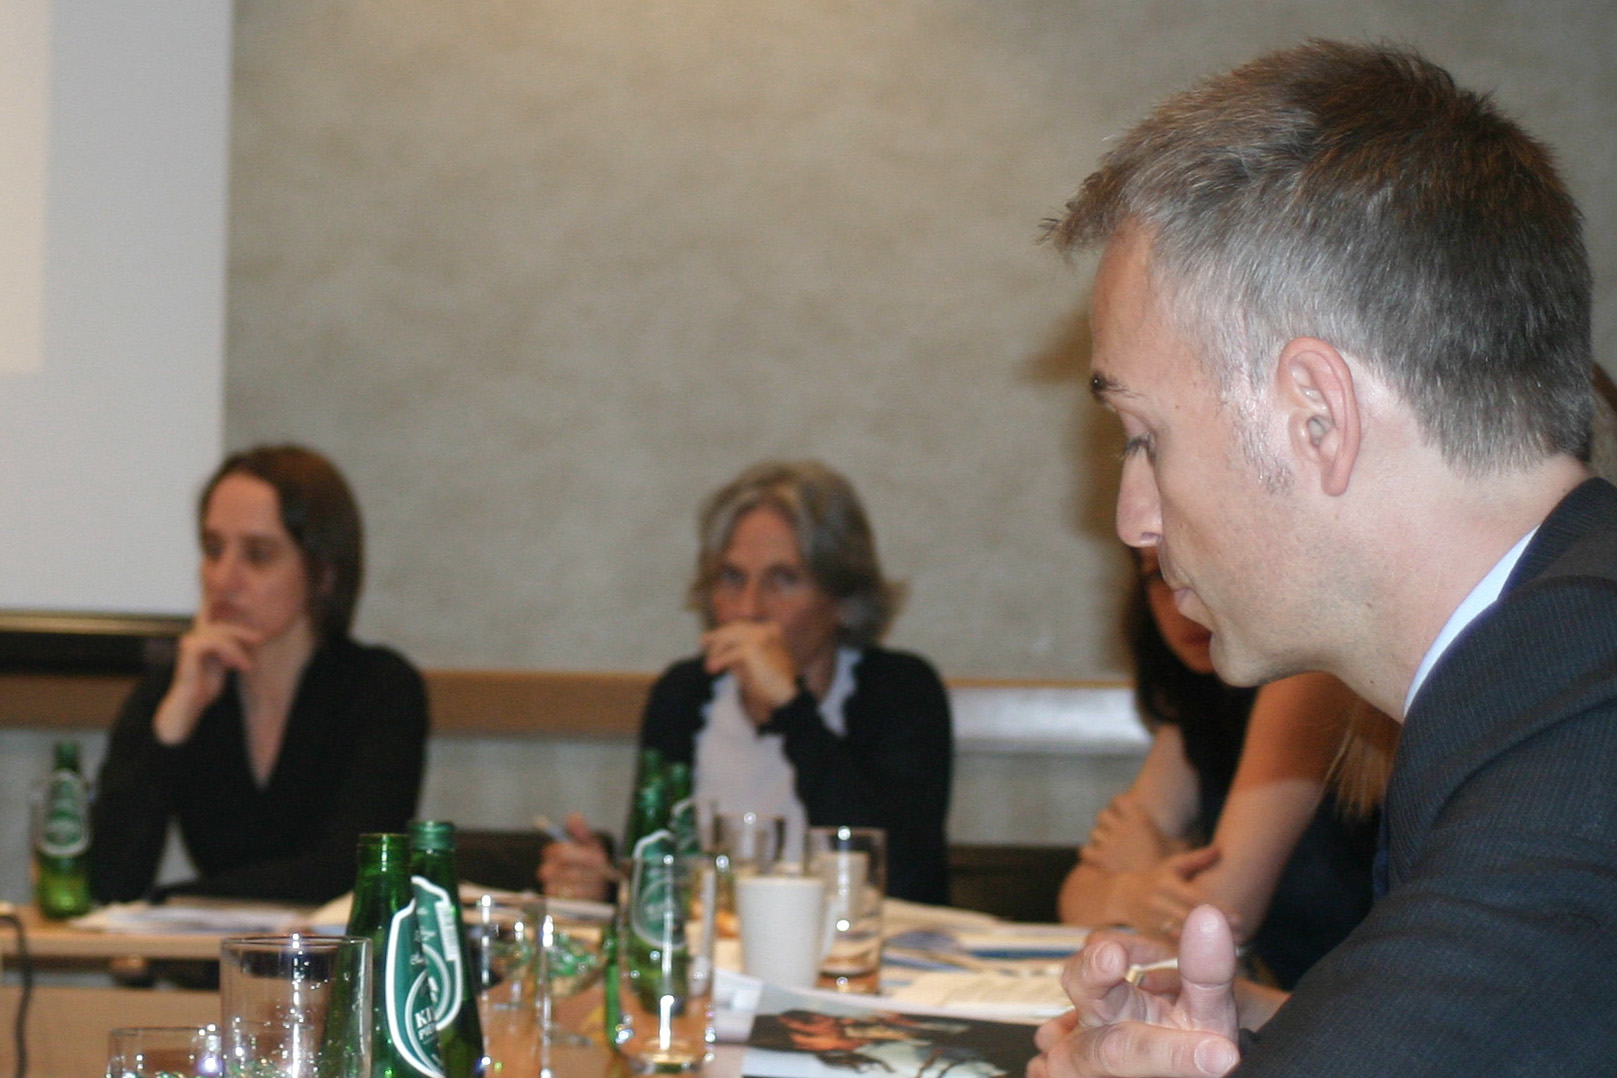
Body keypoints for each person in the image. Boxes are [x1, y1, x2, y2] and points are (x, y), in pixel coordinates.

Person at [1028, 39, 1617, 1077]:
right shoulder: (1535, 658)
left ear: (1317, 416)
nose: (1132, 520)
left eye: (1145, 437)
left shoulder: (1580, 693)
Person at [540, 460, 952, 904]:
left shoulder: (901, 690)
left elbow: (900, 879)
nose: (749, 609)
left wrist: (792, 709)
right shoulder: (683, 695)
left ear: (843, 600)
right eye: (733, 579)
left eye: (784, 580)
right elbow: (663, 875)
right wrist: (603, 884)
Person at [92, 444, 428, 905]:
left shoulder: (380, 689)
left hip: (337, 953)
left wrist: (177, 900)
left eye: (257, 555)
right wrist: (173, 726)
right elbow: (109, 884)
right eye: (213, 549)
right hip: (212, 950)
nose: (222, 578)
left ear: (324, 574)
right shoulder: (176, 688)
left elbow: (348, 873)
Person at [1058, 547, 1380, 990]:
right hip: (1277, 1005)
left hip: (1362, 1007)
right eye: (1159, 574)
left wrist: (1142, 871)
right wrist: (1136, 889)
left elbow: (1220, 917)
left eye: (1202, 566)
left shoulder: (1305, 681)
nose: (1181, 602)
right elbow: (1075, 893)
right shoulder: (1199, 698)